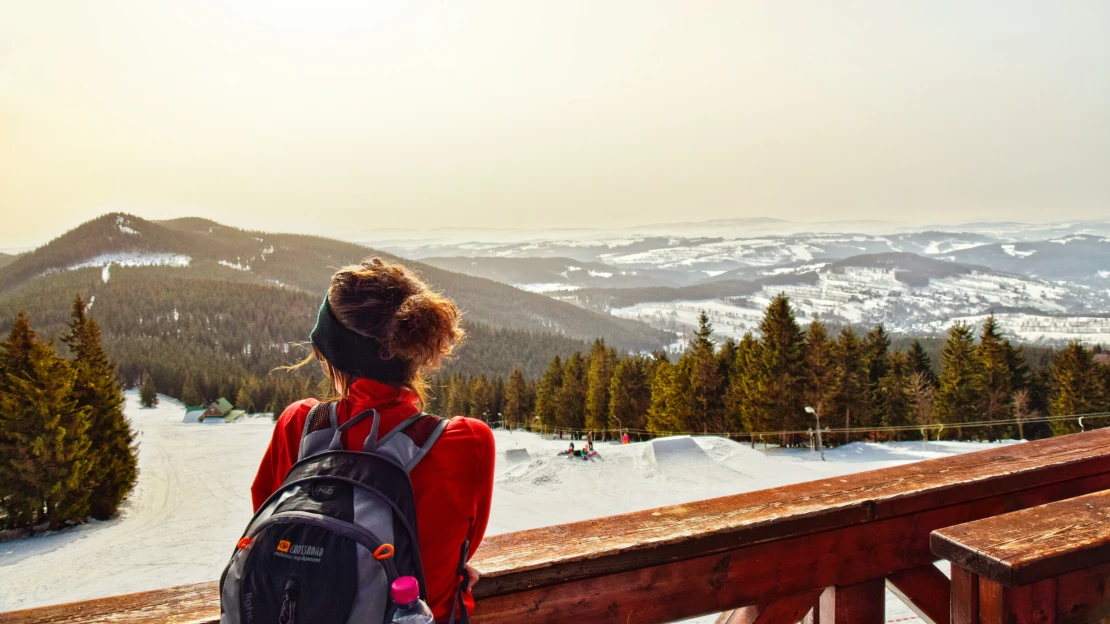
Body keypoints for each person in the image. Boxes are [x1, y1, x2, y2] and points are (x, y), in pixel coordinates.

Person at [251, 258, 494, 622]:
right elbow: (458, 546)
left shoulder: (300, 426)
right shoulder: (466, 442)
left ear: (331, 356)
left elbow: (269, 532)